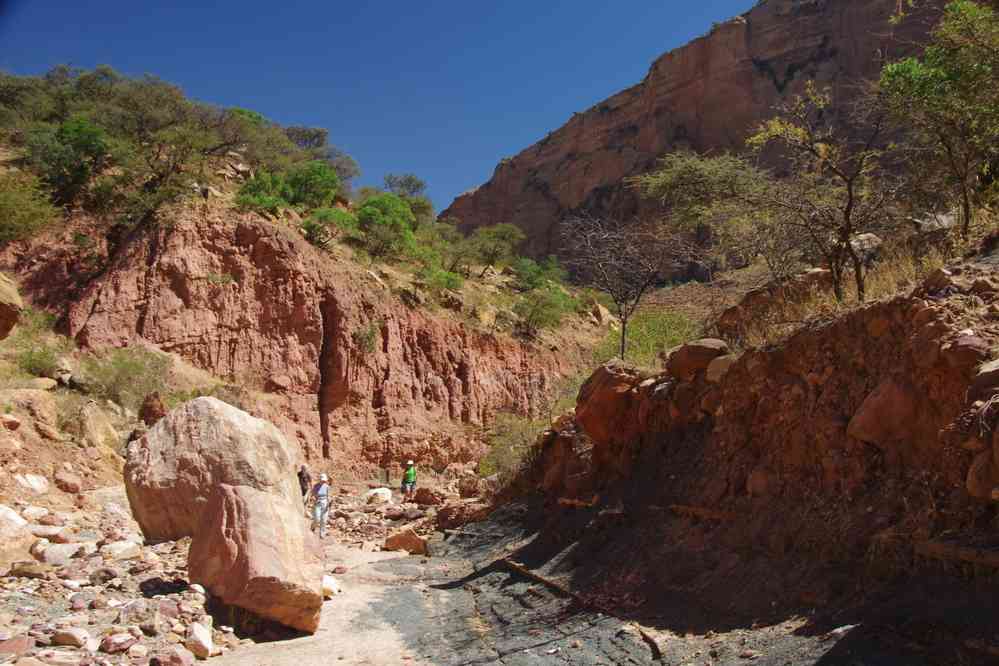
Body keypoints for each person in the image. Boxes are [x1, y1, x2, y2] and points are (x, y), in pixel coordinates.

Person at [311, 473, 331, 538]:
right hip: (318, 503)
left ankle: (322, 533)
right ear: (319, 480)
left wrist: (329, 502)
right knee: (317, 518)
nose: (323, 481)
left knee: (324, 520)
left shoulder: (327, 487)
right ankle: (313, 527)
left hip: (325, 503)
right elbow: (313, 495)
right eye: (321, 480)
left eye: (324, 480)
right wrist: (313, 498)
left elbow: (329, 496)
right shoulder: (315, 486)